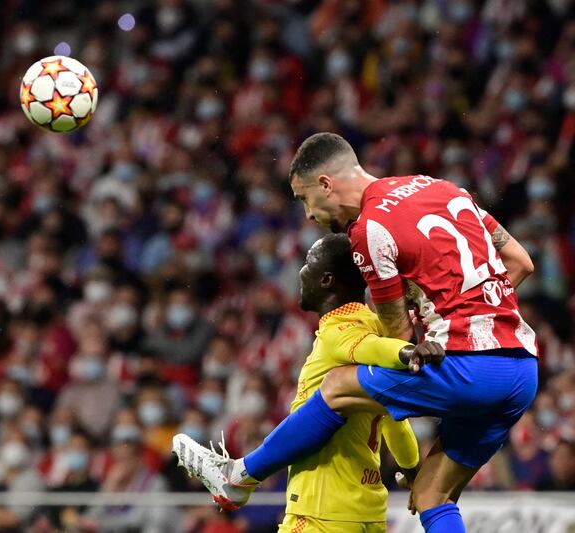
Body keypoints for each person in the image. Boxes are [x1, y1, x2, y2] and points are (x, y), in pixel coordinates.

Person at [174, 132, 538, 533]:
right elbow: (519, 261)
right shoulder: (443, 188)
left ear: (326, 185)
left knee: (337, 384)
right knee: (432, 494)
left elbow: (397, 334)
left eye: (304, 199)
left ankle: (240, 476)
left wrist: (446, 329)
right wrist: (471, 314)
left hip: (471, 368)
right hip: (522, 371)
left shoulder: (369, 229)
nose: (309, 215)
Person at [176, 235, 421, 532]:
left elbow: (368, 347)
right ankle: (240, 475)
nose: (301, 272)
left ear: (327, 280)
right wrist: (411, 471)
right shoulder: (372, 330)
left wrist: (408, 352)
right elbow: (397, 423)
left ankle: (239, 476)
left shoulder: (342, 331)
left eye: (308, 264)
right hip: (368, 512)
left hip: (320, 510)